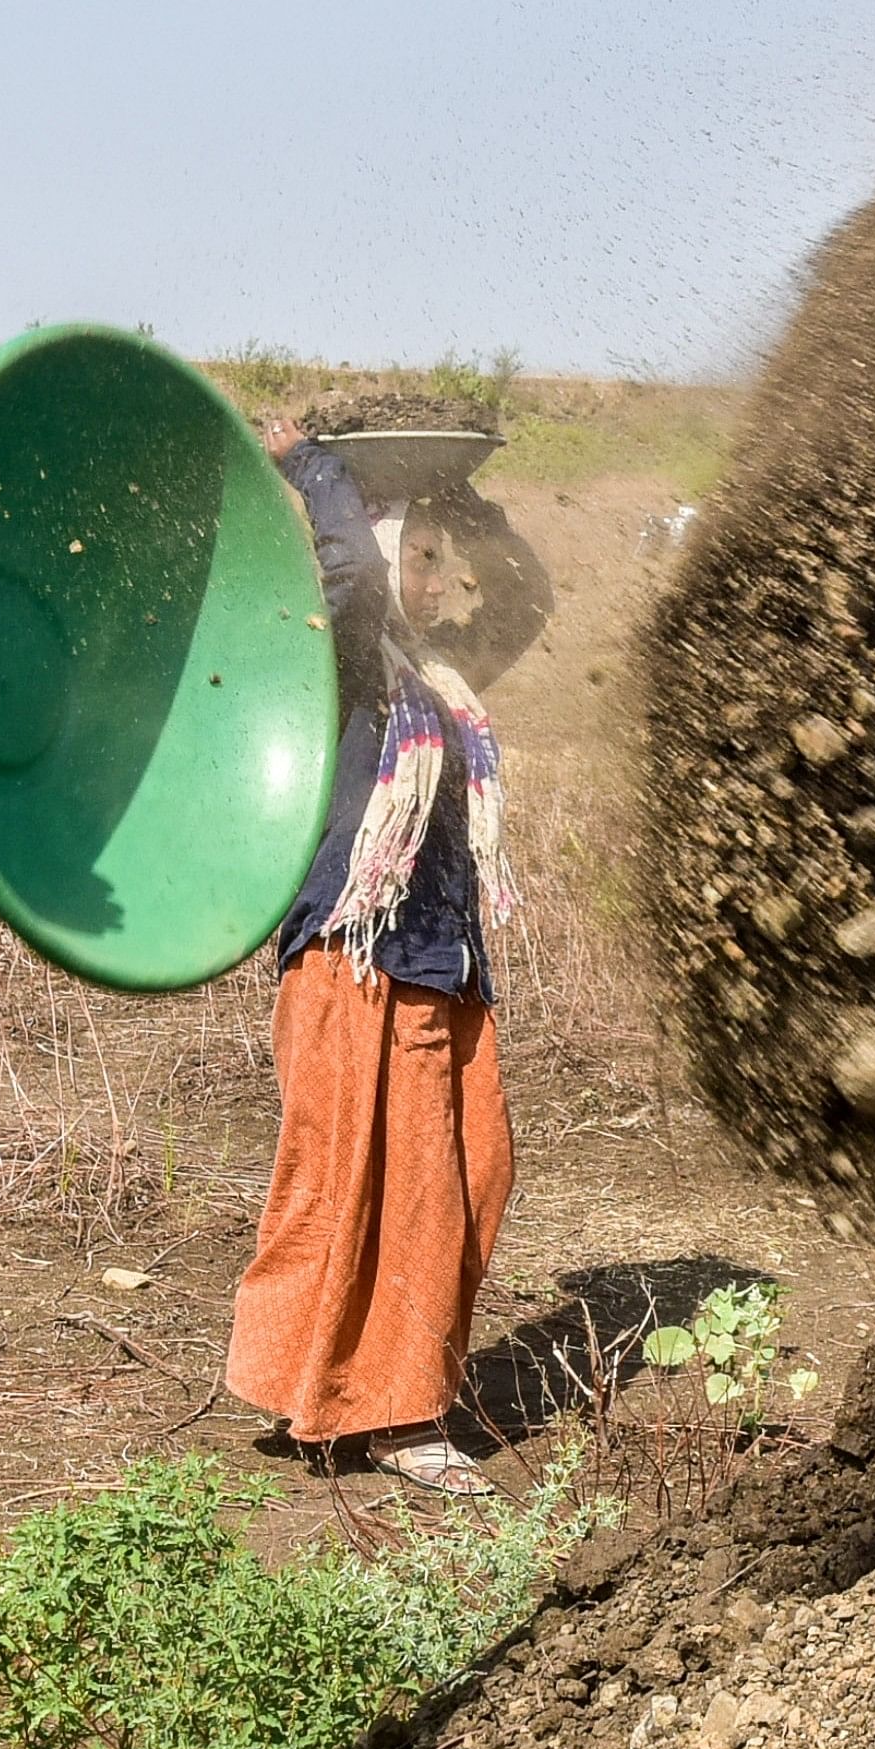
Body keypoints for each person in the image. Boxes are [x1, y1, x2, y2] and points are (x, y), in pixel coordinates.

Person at [223, 417, 518, 1497]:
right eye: (426, 557)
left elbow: (529, 598)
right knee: (367, 1182)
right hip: (353, 959)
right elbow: (345, 566)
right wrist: (313, 462)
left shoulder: (443, 681)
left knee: (470, 1173)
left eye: (451, 559)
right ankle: (393, 1416)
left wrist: (461, 493)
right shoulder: (338, 665)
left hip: (439, 959)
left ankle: (357, 1388)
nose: (449, 578)